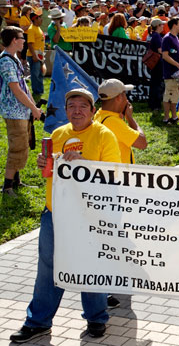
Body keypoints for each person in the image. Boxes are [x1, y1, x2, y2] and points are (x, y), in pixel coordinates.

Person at [10, 88, 120, 344]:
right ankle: (38, 322)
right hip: (55, 214)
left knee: (90, 266)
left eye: (83, 106)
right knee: (47, 270)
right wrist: (43, 166)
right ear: (66, 110)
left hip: (89, 215)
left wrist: (84, 164)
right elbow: (50, 175)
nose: (77, 110)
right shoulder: (58, 135)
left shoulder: (104, 135)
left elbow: (115, 176)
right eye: (72, 106)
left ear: (93, 111)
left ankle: (96, 319)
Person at [0, 26, 42, 196]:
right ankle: (7, 187)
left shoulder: (14, 59)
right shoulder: (5, 61)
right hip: (13, 112)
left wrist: (34, 107)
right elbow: (16, 89)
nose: (24, 41)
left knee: (23, 145)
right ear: (13, 40)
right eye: (21, 38)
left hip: (22, 110)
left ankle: (16, 181)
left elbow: (24, 87)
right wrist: (32, 107)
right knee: (17, 148)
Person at [94, 79, 148, 164]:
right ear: (119, 98)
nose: (127, 99)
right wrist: (130, 118)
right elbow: (142, 143)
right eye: (125, 94)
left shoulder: (99, 114)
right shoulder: (112, 122)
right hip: (120, 174)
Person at [161, 17, 179, 124]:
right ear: (174, 25)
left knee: (175, 94)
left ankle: (174, 116)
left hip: (176, 72)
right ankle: (167, 117)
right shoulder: (167, 38)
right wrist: (178, 65)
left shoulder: (176, 38)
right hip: (170, 72)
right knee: (169, 94)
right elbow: (165, 56)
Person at [146, 18, 164, 111]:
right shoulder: (157, 36)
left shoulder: (154, 35)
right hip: (157, 63)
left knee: (154, 83)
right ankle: (155, 105)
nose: (163, 27)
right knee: (156, 84)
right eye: (161, 25)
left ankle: (153, 103)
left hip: (155, 63)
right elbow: (160, 50)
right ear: (157, 26)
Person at [26, 10, 45, 96]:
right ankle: (36, 91)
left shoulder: (38, 28)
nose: (42, 19)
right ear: (35, 19)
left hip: (40, 55)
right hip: (34, 55)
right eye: (40, 18)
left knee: (40, 73)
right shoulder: (31, 29)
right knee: (35, 74)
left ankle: (40, 90)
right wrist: (34, 56)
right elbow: (30, 43)